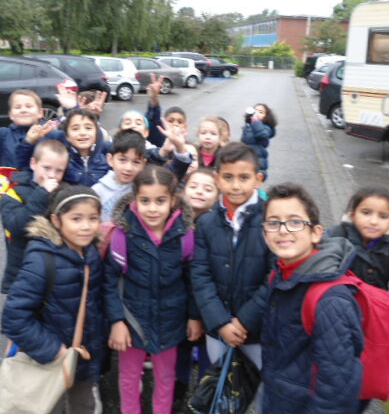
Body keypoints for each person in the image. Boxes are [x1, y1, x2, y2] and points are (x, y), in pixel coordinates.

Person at [105, 165, 203, 414]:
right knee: (129, 378)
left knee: (166, 377)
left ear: (173, 200)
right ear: (135, 199)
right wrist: (116, 321)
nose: (152, 208)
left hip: (170, 321)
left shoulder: (185, 236)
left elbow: (192, 281)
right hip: (132, 322)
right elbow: (109, 281)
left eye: (160, 201)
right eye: (145, 201)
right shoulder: (123, 234)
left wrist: (193, 316)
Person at [1, 185, 106, 414]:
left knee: (84, 405)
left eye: (93, 218)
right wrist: (54, 351)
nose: (86, 226)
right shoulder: (41, 260)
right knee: (50, 405)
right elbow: (14, 318)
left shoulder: (91, 253)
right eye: (76, 219)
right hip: (49, 360)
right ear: (57, 221)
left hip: (82, 357)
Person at [261, 182, 364, 413]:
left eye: (295, 222)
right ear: (265, 233)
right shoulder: (281, 273)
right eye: (273, 222)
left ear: (316, 233)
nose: (283, 230)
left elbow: (337, 391)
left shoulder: (331, 301)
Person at [191, 142, 272, 380]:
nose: (236, 185)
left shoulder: (271, 219)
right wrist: (220, 322)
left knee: (259, 385)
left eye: (244, 177)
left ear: (257, 179)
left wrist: (244, 321)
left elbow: (274, 276)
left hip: (257, 330)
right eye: (228, 177)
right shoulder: (206, 223)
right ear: (217, 179)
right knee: (221, 385)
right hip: (219, 329)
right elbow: (200, 274)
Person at [328, 185, 389, 310]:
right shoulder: (336, 237)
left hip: (369, 317)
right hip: (333, 311)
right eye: (366, 213)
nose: (374, 221)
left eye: (383, 216)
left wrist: (384, 307)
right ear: (353, 214)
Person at [173, 168, 219, 408]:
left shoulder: (217, 227)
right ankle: (179, 387)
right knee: (181, 349)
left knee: (207, 353)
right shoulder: (172, 222)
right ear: (183, 190)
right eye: (194, 186)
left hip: (207, 304)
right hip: (177, 302)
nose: (200, 192)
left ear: (217, 195)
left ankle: (204, 396)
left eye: (208, 188)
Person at [0, 139, 69, 293]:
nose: (52, 175)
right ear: (33, 163)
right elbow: (17, 226)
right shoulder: (13, 194)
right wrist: (42, 194)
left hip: (55, 270)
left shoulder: (64, 191)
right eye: (46, 168)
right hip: (23, 271)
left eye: (59, 171)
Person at [16, 108, 111, 187]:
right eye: (75, 129)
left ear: (96, 133)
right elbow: (25, 166)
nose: (82, 133)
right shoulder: (61, 157)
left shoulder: (106, 154)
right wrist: (29, 142)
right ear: (67, 136)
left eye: (88, 128)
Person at [92, 130, 147, 222]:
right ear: (110, 160)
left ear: (143, 164)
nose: (128, 168)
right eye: (122, 160)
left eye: (136, 162)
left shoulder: (143, 190)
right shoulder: (97, 191)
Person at [241, 103, 277, 179]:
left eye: (261, 112)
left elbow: (262, 135)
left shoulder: (266, 128)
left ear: (266, 117)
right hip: (245, 157)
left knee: (254, 180)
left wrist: (255, 121)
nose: (257, 113)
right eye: (255, 111)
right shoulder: (249, 126)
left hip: (258, 159)